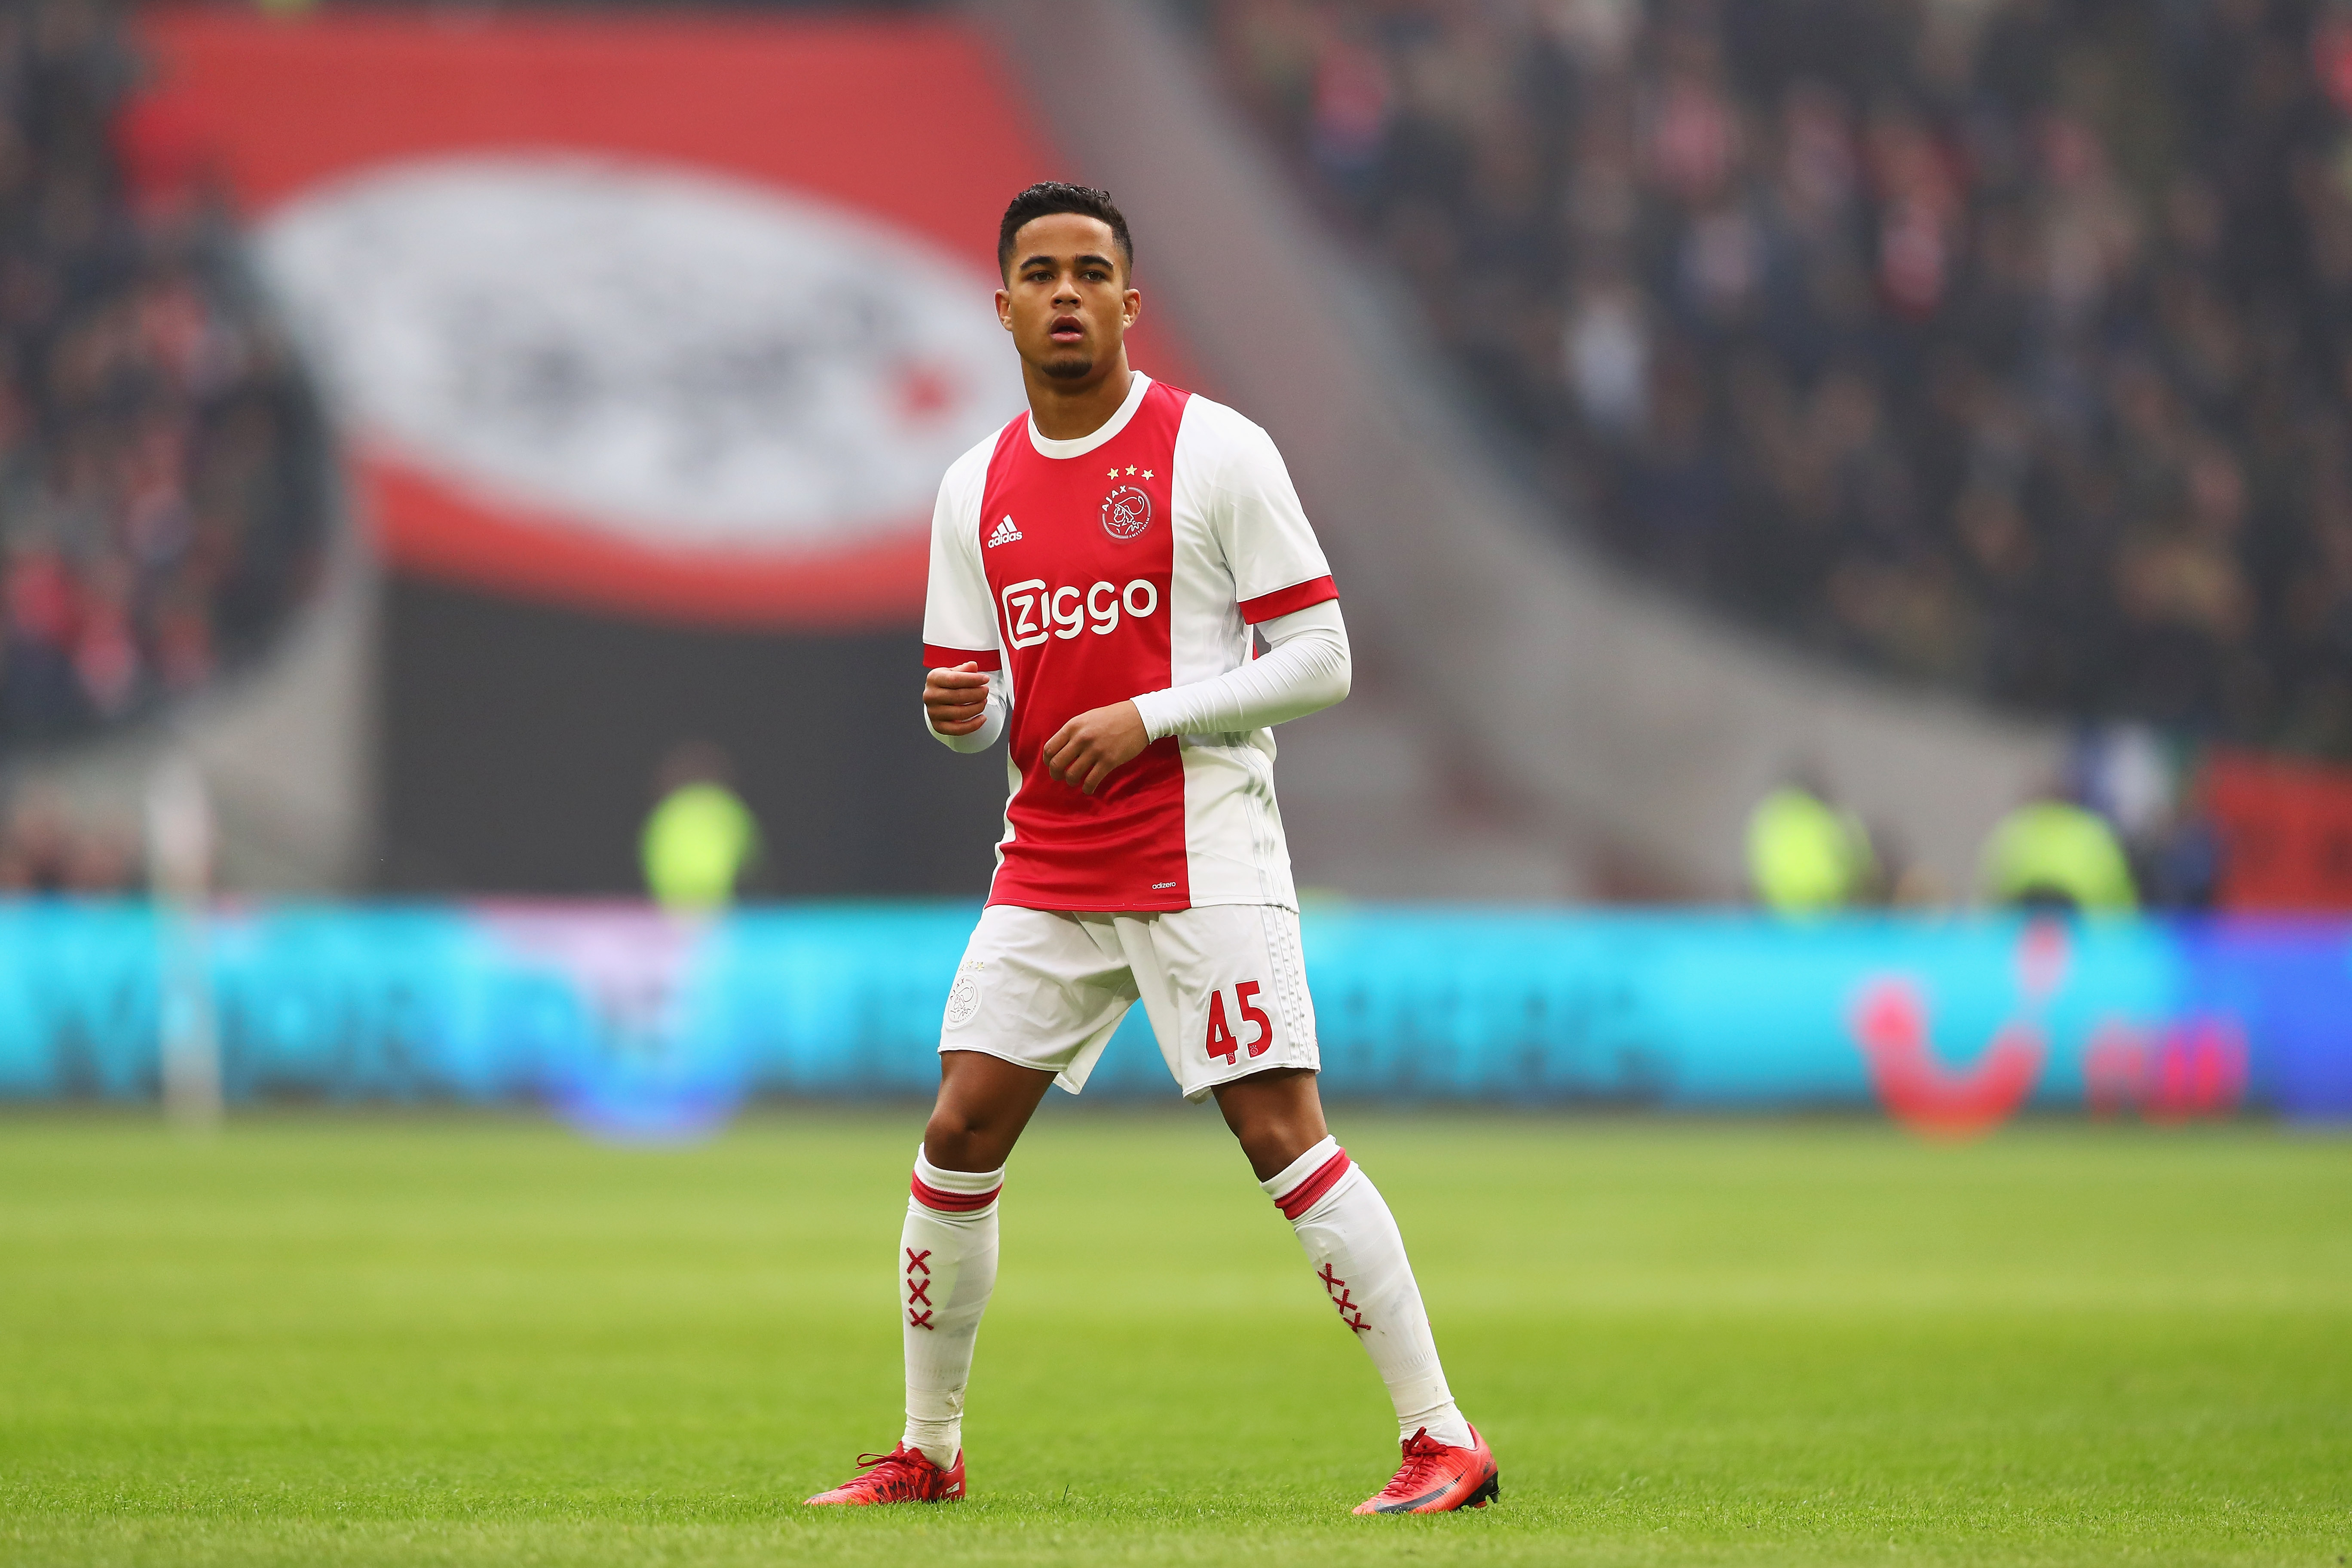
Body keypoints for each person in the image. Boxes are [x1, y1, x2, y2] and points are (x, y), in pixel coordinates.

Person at [804, 183, 1496, 1516]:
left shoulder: (1217, 454)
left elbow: (1324, 660)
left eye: (1092, 273)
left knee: (1280, 1135)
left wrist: (1151, 716)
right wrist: (967, 717)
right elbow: (985, 714)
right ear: (1001, 305)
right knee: (957, 1129)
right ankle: (928, 1453)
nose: (1067, 294)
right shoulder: (975, 489)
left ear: (1132, 301)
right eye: (1042, 274)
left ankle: (1443, 1438)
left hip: (1202, 851)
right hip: (1051, 865)